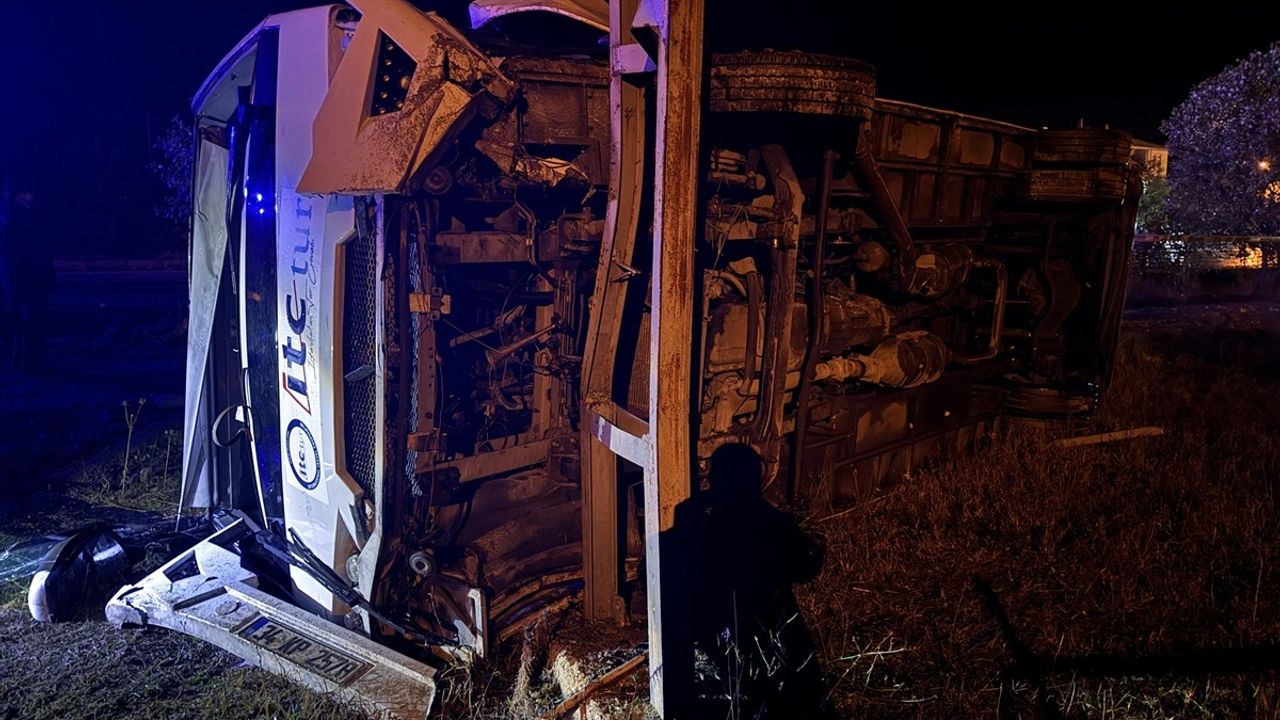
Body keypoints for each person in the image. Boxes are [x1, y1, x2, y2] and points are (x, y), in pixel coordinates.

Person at [689, 442, 832, 718]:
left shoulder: (703, 522)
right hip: (774, 630)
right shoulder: (772, 523)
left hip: (722, 633)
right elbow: (806, 567)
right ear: (756, 480)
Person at [0, 187, 52, 373]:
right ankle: (28, 361)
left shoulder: (8, 211)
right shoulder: (22, 213)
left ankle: (19, 359)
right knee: (28, 315)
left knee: (18, 316)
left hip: (13, 272)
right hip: (25, 271)